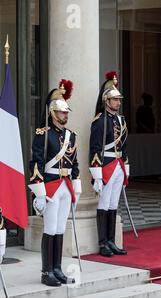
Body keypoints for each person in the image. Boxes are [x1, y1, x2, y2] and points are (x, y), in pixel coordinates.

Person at [28, 80, 81, 287]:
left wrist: (76, 188)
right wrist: (39, 194)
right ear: (52, 113)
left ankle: (57, 268)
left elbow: (75, 164)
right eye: (61, 113)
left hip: (66, 187)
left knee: (60, 229)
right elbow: (36, 164)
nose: (65, 116)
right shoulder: (43, 134)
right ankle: (46, 271)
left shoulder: (71, 136)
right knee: (49, 228)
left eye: (67, 113)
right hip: (49, 186)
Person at [89, 71, 129, 258]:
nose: (118, 103)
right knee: (104, 203)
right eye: (115, 100)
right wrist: (96, 174)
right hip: (106, 165)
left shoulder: (120, 120)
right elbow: (95, 148)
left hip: (119, 164)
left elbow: (125, 145)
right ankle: (103, 242)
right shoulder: (100, 121)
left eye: (119, 100)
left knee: (113, 204)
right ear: (107, 101)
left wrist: (126, 167)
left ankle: (111, 240)